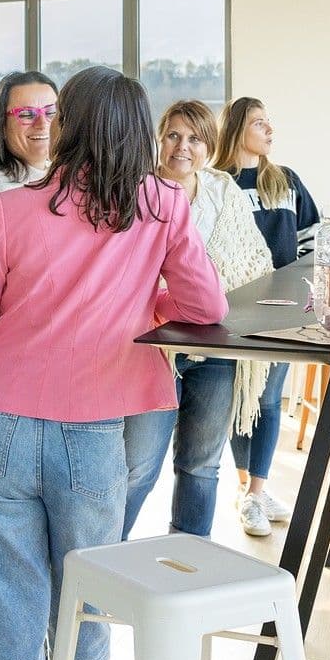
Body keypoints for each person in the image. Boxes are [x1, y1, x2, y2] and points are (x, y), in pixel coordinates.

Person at [0, 67, 227, 660]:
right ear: (137, 133)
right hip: (92, 432)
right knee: (86, 594)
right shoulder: (161, 204)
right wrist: (138, 302)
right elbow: (205, 305)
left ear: (67, 128)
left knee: (10, 608)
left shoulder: (12, 207)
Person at [123, 99, 278, 537]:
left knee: (202, 466)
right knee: (137, 467)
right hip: (154, 347)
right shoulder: (137, 189)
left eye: (194, 138)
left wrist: (205, 288)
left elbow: (250, 262)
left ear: (209, 145)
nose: (182, 147)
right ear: (158, 139)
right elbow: (128, 271)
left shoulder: (223, 190)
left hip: (215, 345)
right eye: (173, 135)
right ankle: (99, 565)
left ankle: (189, 560)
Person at [212, 96, 321, 538]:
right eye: (260, 123)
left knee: (270, 400)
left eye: (269, 122)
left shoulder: (286, 181)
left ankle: (257, 490)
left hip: (283, 312)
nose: (269, 130)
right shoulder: (218, 183)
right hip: (233, 312)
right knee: (243, 397)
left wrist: (305, 296)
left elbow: (312, 238)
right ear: (238, 128)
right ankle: (247, 491)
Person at [0, 71, 58, 247]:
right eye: (26, 114)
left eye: (51, 112)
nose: (43, 123)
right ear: (1, 125)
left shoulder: (54, 177)